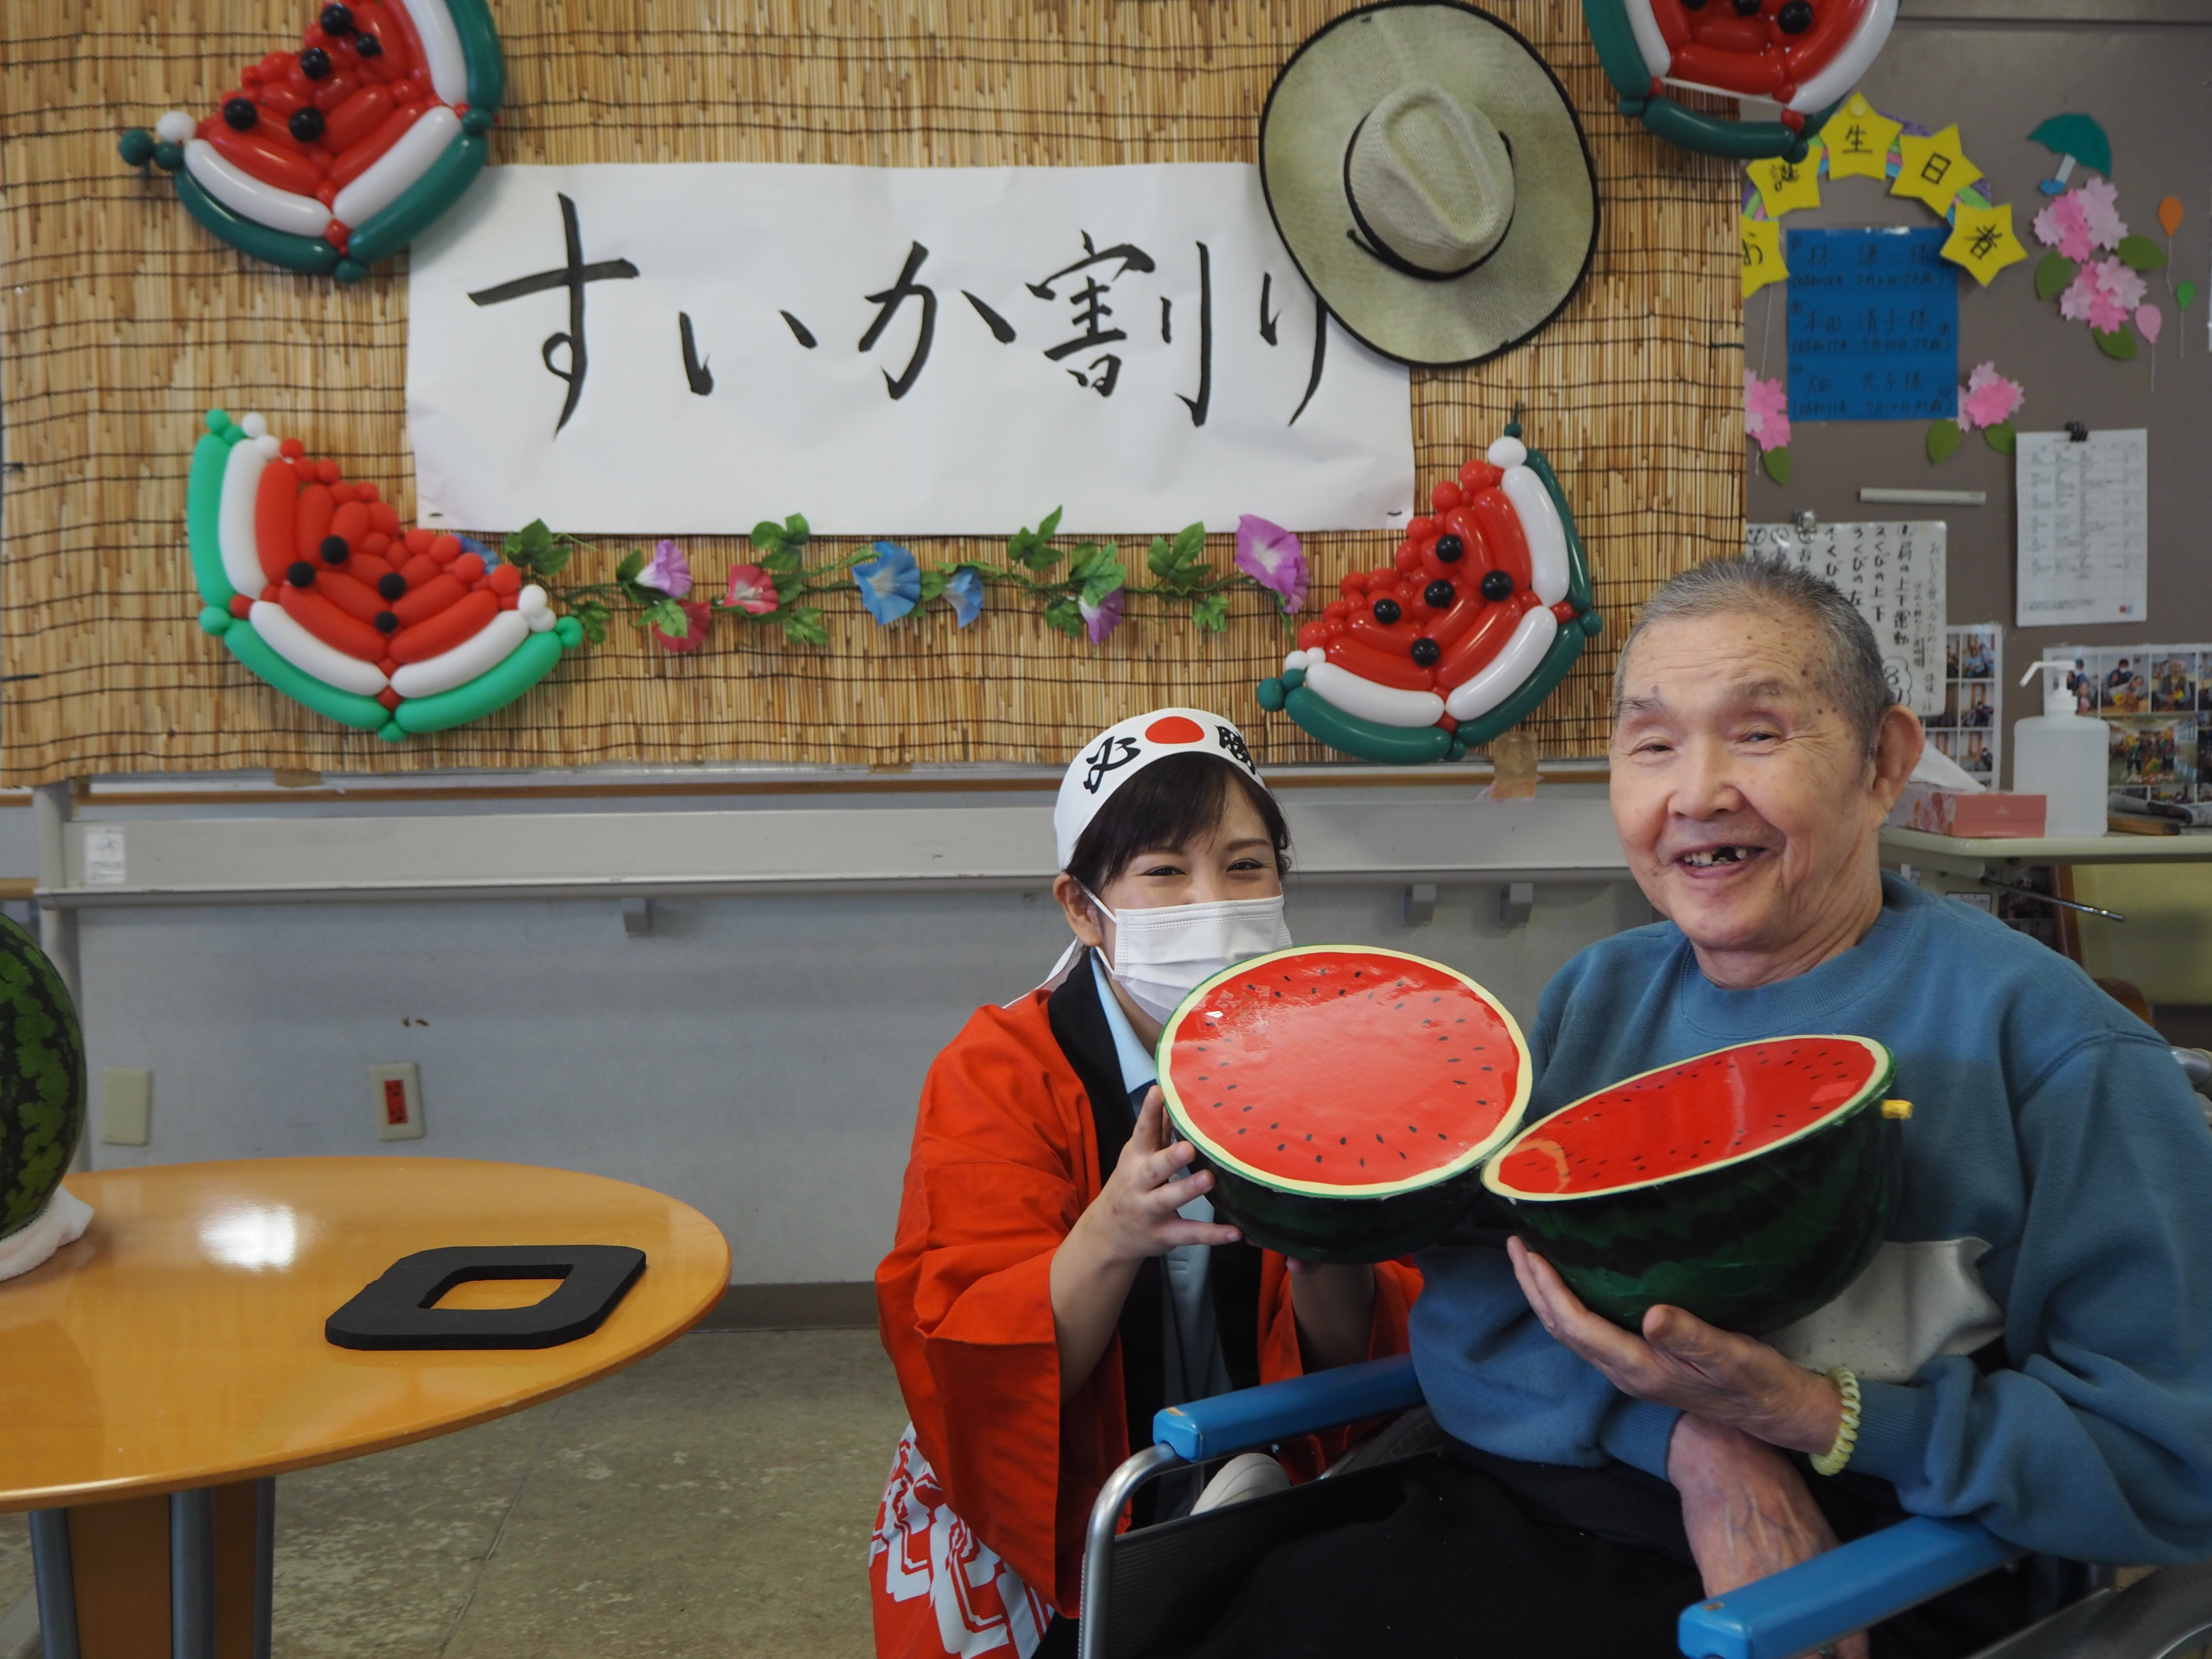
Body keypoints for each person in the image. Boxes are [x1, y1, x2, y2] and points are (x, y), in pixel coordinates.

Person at [1190, 557, 2212, 1659]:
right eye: (1654, 743)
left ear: (1884, 765)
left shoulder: (2054, 1047)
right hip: (1570, 1494)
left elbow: (2171, 1452)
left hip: (1868, 1557)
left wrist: (1820, 1416)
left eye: (1760, 733)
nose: (1697, 793)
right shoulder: (1597, 1000)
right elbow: (1483, 1312)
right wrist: (1701, 1441)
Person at [870, 708, 1424, 1659]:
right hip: (1069, 1510)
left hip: (1282, 1466)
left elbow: (1369, 1355)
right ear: (1084, 908)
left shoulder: (1337, 1058)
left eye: (1246, 867)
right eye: (1165, 872)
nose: (1213, 902)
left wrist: (1324, 1239)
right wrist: (1112, 1233)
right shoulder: (999, 1072)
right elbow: (972, 1348)